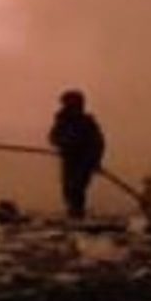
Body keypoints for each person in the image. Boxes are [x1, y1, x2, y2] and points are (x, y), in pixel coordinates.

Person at [48, 90, 106, 220]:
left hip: (85, 162)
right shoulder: (62, 121)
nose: (70, 106)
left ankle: (77, 214)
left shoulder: (87, 122)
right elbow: (53, 138)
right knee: (68, 189)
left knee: (77, 188)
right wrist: (64, 143)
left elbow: (98, 143)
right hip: (69, 161)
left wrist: (95, 160)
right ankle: (73, 213)